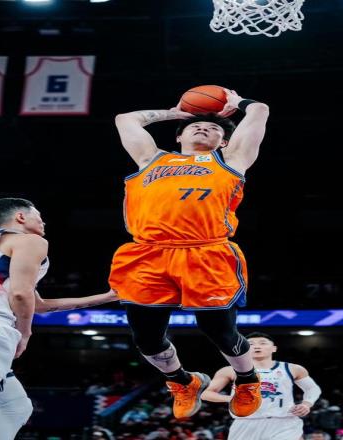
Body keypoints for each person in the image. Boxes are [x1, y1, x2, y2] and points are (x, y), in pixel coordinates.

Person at [109, 90, 270, 419]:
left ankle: (247, 380)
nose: (203, 128)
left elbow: (260, 111)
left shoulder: (231, 160)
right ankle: (182, 381)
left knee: (218, 330)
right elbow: (126, 119)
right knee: (147, 338)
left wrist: (236, 101)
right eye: (195, 126)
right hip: (148, 253)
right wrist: (175, 113)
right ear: (179, 136)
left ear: (224, 142)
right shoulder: (150, 158)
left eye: (213, 128)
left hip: (206, 251)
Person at [0, 198, 117, 440]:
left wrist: (107, 297)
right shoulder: (31, 241)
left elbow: (37, 304)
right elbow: (20, 294)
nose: (43, 222)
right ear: (20, 217)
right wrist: (24, 333)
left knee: (16, 407)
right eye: (38, 215)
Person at [202, 332, 321, 440]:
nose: (257, 346)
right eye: (251, 344)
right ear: (244, 349)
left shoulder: (292, 368)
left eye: (263, 343)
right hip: (246, 423)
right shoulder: (230, 370)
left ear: (274, 348)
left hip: (284, 422)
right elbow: (205, 393)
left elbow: (312, 388)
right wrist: (231, 398)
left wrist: (307, 404)